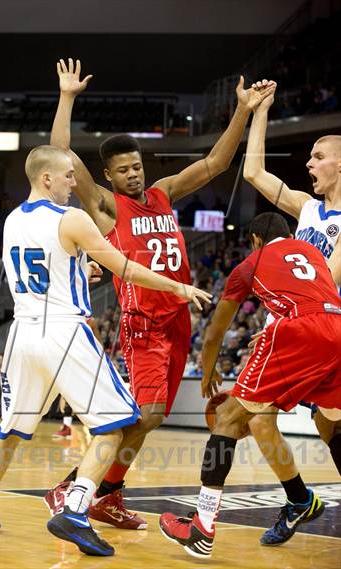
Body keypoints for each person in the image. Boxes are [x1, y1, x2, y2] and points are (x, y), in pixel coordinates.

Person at [45, 58, 275, 528]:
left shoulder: (164, 191)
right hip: (143, 323)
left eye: (137, 166)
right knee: (148, 415)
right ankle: (76, 486)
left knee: (150, 419)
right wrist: (67, 98)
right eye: (124, 170)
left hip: (178, 319)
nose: (133, 174)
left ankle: (106, 494)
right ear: (108, 176)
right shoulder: (107, 207)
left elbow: (216, 163)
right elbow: (60, 154)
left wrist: (243, 112)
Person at [0, 145, 211, 557]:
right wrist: (176, 285)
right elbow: (126, 267)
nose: (75, 184)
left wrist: (79, 268)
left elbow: (49, 260)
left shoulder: (10, 221)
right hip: (64, 332)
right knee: (112, 427)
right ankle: (76, 509)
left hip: (22, 335)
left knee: (9, 432)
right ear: (47, 179)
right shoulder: (72, 218)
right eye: (68, 177)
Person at [159, 212, 341, 559]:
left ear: (255, 241)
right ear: (289, 236)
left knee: (228, 416)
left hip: (299, 330)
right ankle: (300, 499)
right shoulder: (312, 252)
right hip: (337, 325)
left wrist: (209, 367)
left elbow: (214, 332)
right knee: (331, 423)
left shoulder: (250, 264)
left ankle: (202, 526)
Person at [242, 83, 341, 544]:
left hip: (325, 329)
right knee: (307, 422)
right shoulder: (306, 208)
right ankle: (300, 498)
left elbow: (329, 280)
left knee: (323, 422)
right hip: (310, 333)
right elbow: (254, 172)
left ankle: (299, 500)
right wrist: (259, 112)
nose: (309, 163)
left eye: (318, 156)